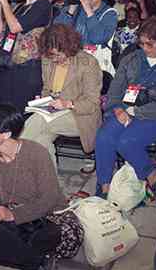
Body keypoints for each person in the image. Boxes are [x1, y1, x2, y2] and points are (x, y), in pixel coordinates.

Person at [0, 104, 83, 270]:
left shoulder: (36, 153)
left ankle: (6, 251)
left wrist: (14, 215)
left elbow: (49, 199)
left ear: (6, 134)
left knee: (70, 233)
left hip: (43, 214)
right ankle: (38, 256)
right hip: (8, 211)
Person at [95, 18, 156, 198]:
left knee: (127, 141)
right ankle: (104, 189)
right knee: (104, 136)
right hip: (127, 110)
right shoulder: (131, 59)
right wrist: (116, 109)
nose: (145, 48)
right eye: (141, 43)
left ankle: (153, 179)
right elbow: (115, 91)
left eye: (150, 44)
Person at [20, 24, 102, 168]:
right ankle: (49, 184)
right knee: (41, 142)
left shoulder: (88, 63)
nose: (55, 59)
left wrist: (68, 104)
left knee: (38, 121)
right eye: (51, 55)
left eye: (58, 55)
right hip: (53, 112)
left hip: (80, 116)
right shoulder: (48, 60)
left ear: (69, 47)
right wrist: (42, 100)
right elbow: (47, 88)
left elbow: (92, 103)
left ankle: (13, 159)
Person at [0, 0, 53, 111]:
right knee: (5, 112)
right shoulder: (20, 7)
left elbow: (15, 27)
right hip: (9, 64)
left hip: (27, 69)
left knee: (20, 111)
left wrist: (5, 2)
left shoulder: (43, 5)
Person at [54, 0, 118, 54]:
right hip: (71, 58)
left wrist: (89, 11)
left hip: (93, 63)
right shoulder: (74, 8)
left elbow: (98, 38)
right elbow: (56, 33)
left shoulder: (110, 14)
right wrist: (70, 11)